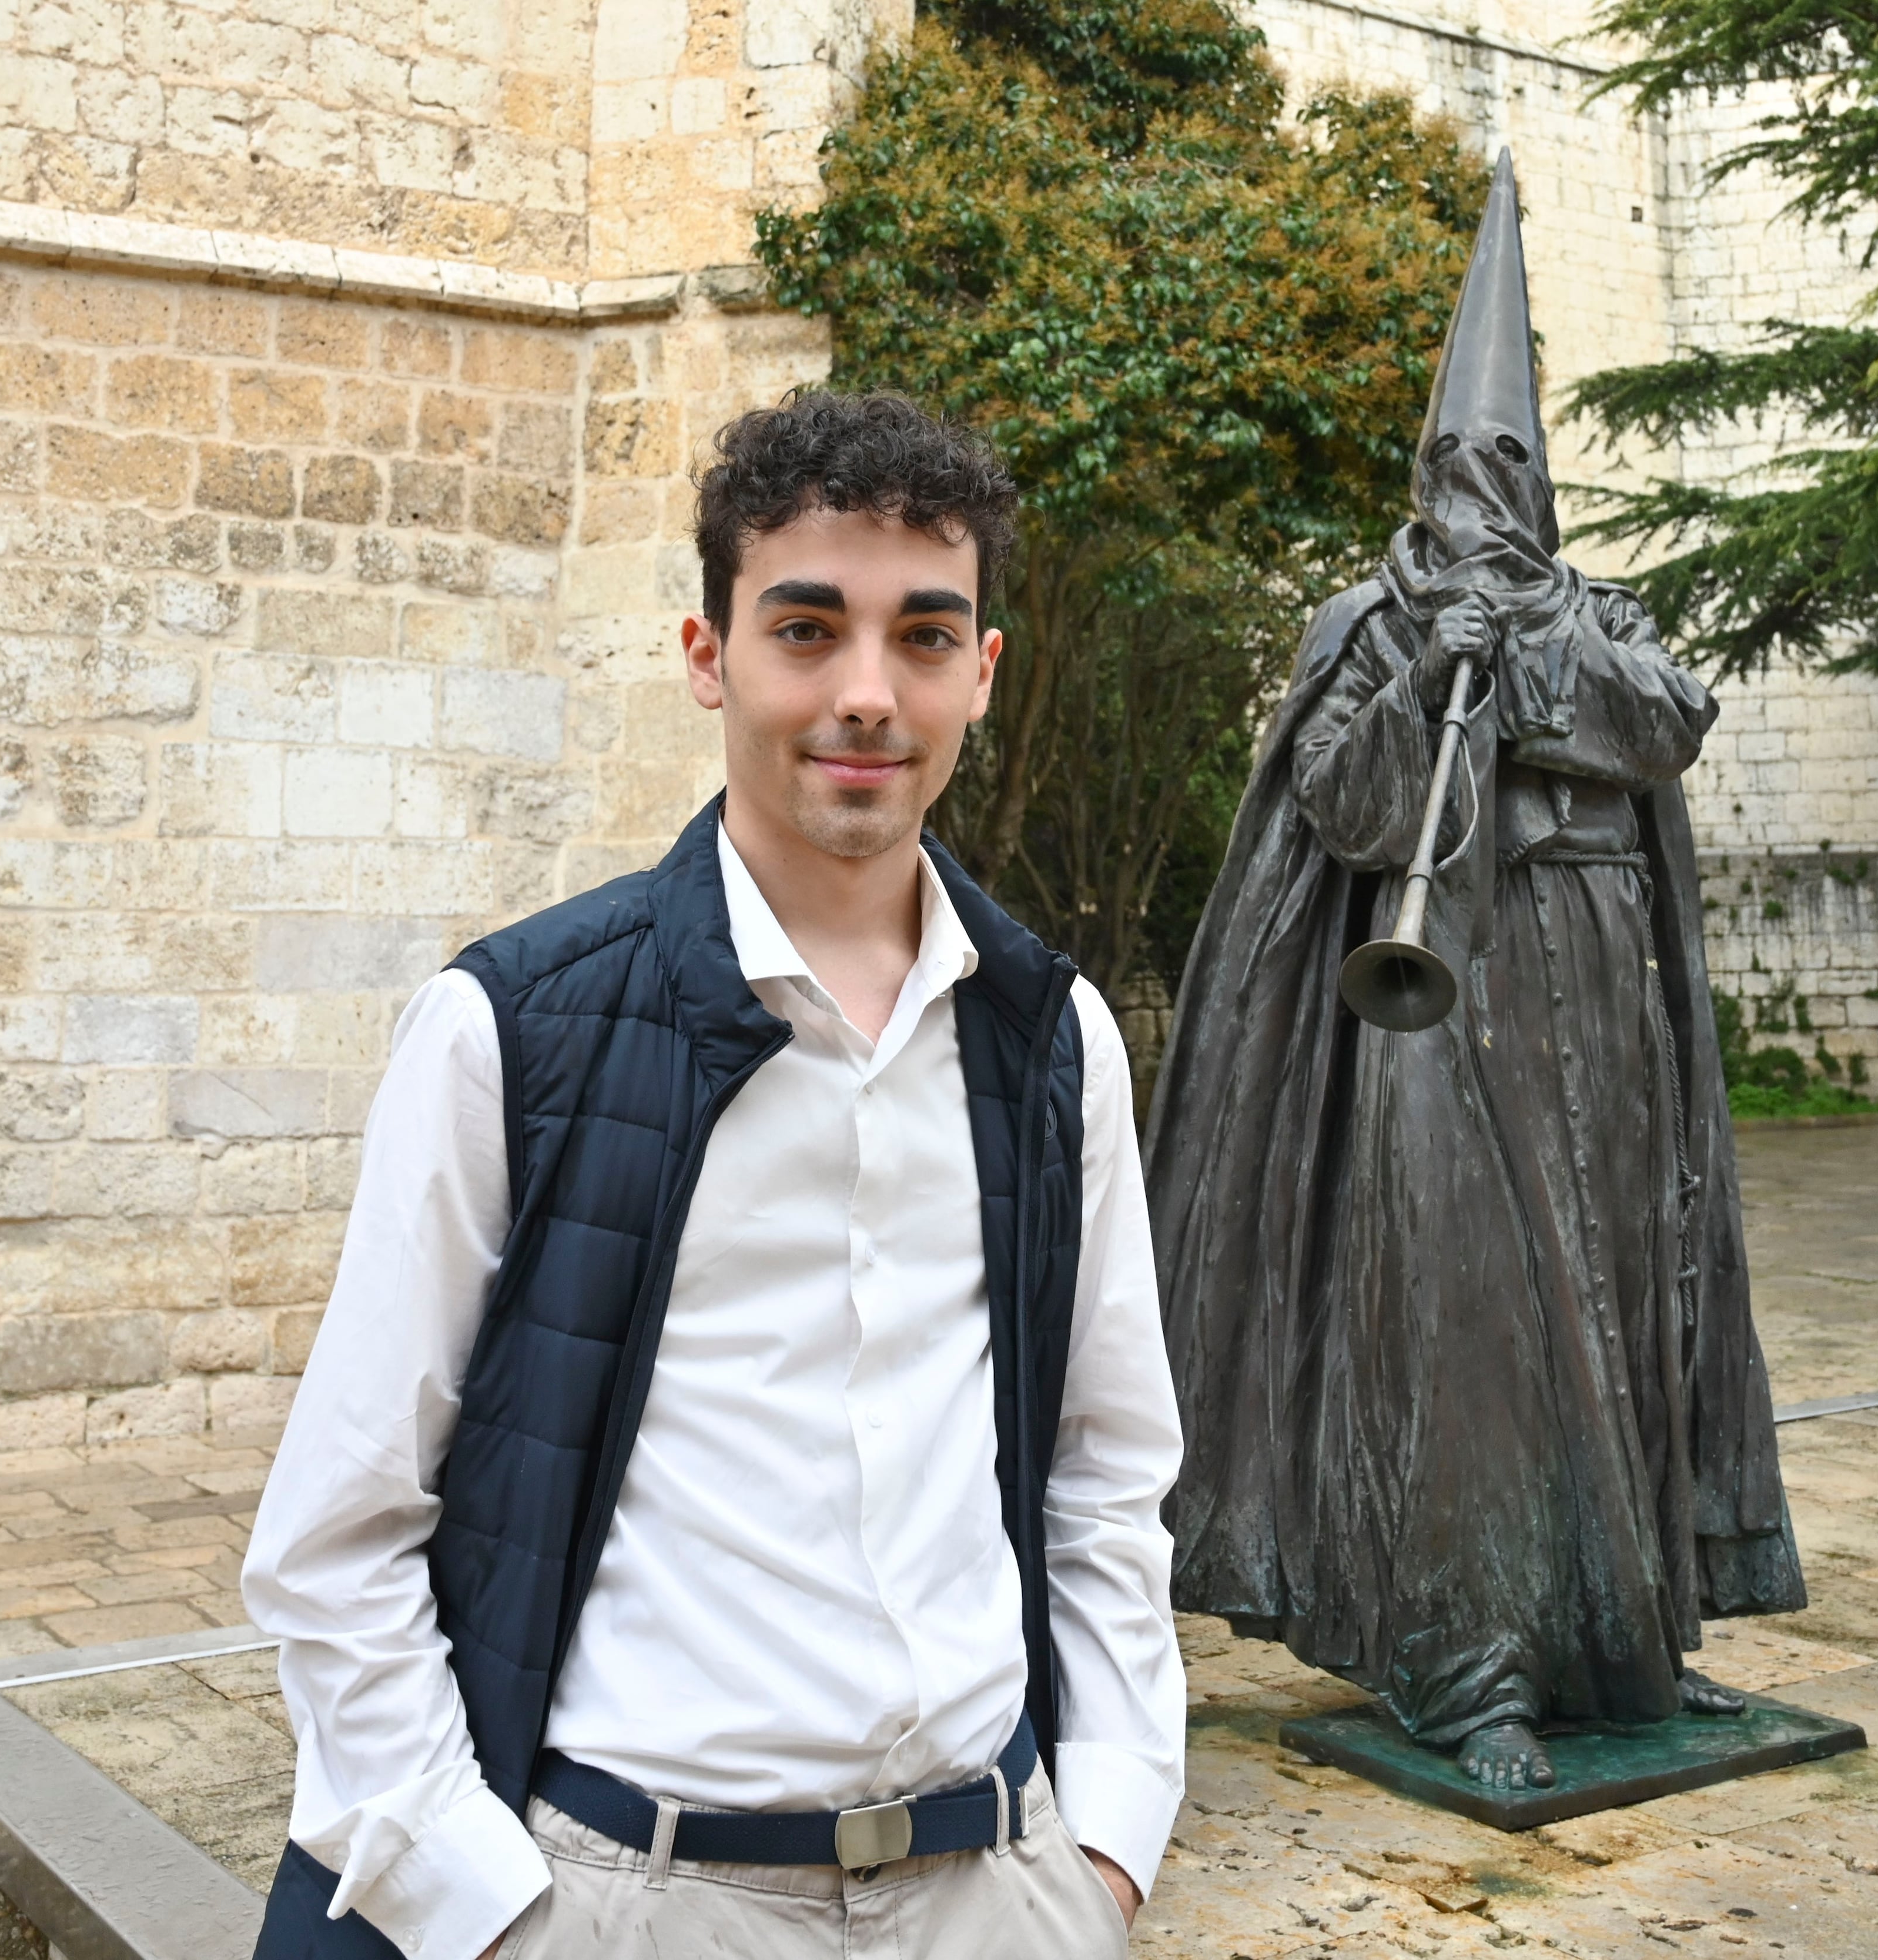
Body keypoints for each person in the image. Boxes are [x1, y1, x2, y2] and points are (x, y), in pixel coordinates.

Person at [242, 393, 1183, 1960]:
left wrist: (1105, 1846)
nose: (868, 693)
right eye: (807, 628)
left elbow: (1107, 1468)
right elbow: (339, 1533)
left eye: (924, 636)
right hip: (635, 1894)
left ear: (983, 674)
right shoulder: (509, 1028)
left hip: (996, 1887)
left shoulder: (1053, 1038)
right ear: (710, 654)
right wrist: (486, 1907)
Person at [1147, 153, 1803, 1796]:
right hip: (1427, 1001)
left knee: (1623, 1305)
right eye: (1460, 456)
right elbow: (1350, 810)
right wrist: (1426, 671)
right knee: (1460, 1329)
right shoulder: (1361, 623)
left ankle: (1627, 1641)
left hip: (1597, 995)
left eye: (1506, 457)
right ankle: (1471, 1659)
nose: (1480, 477)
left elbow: (1666, 723)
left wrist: (1527, 649)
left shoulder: (1599, 611)